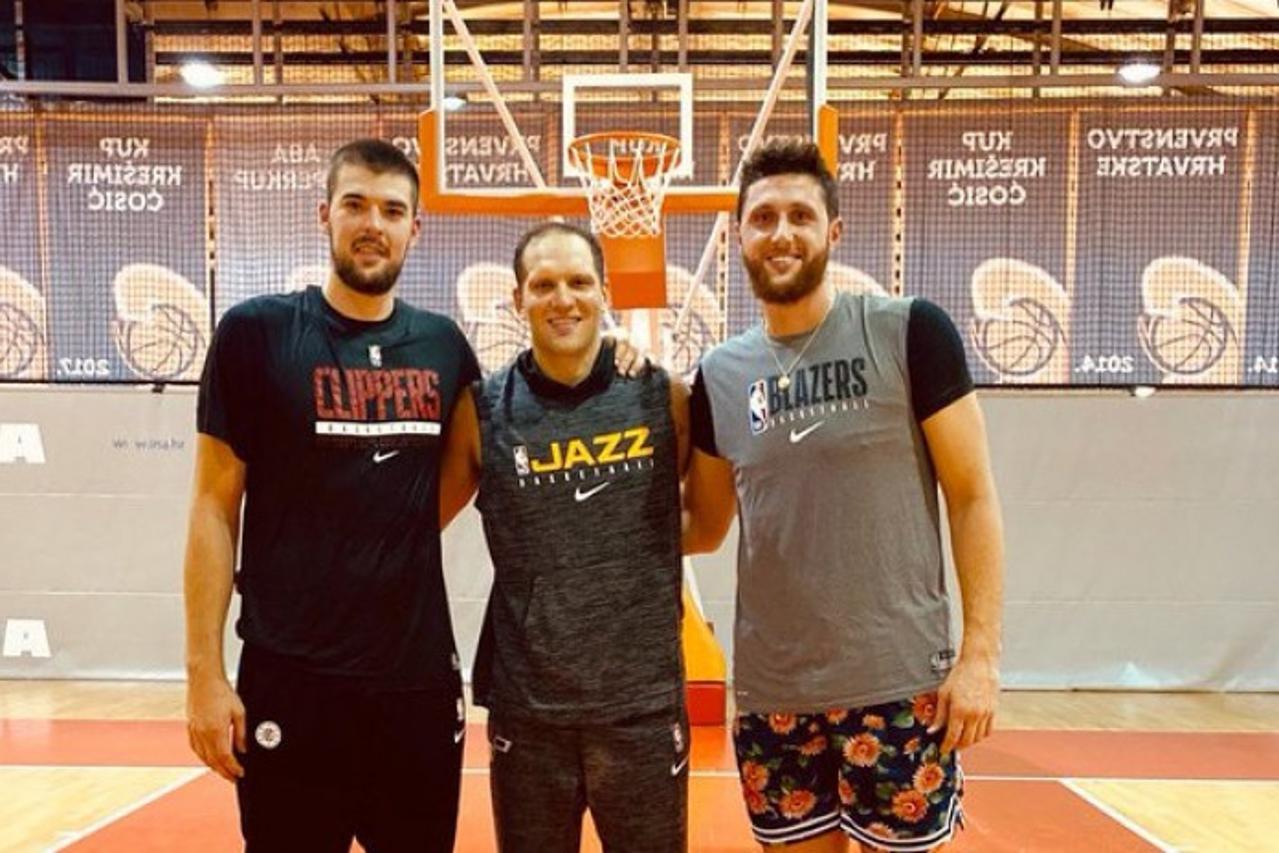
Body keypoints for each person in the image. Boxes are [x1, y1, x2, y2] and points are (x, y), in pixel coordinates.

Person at [683, 140, 1004, 853]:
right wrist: (579, 504)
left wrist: (980, 654)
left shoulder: (908, 330)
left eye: (800, 215)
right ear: (739, 235)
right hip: (775, 693)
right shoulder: (719, 375)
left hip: (899, 684)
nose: (781, 233)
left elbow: (972, 495)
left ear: (834, 230)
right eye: (763, 217)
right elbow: (701, 527)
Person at [184, 138, 479, 851]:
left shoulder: (443, 345)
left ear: (415, 228)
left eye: (392, 210)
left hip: (413, 686)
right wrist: (203, 673)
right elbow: (214, 506)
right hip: (291, 678)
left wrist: (391, 533)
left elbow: (466, 467)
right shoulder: (255, 333)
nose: (373, 223)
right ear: (325, 215)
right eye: (355, 204)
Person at [438, 221, 691, 853]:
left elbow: (707, 525)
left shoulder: (662, 396)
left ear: (606, 293)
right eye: (543, 285)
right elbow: (419, 522)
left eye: (579, 282)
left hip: (641, 708)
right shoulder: (483, 410)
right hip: (530, 715)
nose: (563, 299)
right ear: (517, 299)